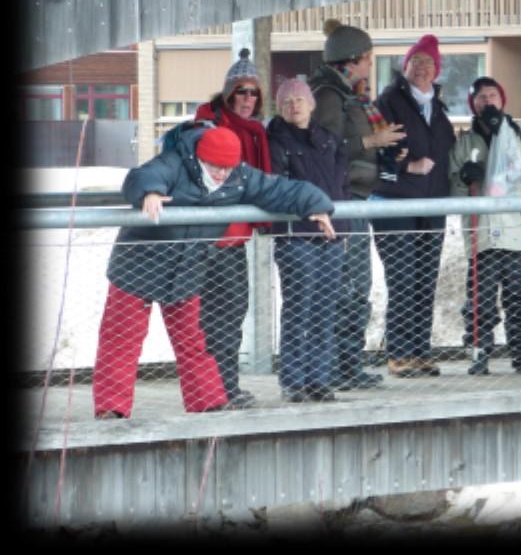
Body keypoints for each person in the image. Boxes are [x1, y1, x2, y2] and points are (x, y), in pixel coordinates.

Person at [93, 127, 335, 419]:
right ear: (199, 158)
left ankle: (206, 401)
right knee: (122, 338)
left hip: (186, 269)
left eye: (227, 167)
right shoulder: (175, 162)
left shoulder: (239, 177)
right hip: (138, 267)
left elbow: (281, 189)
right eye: (215, 166)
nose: (221, 174)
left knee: (195, 340)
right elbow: (142, 176)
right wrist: (151, 192)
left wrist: (317, 205)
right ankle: (112, 408)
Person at [308, 19, 407, 390]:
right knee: (347, 285)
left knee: (354, 285)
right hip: (342, 202)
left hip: (354, 199)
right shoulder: (330, 96)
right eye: (367, 58)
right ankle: (339, 368)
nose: (370, 65)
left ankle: (347, 365)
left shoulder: (347, 93)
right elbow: (327, 147)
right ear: (351, 59)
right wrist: (371, 142)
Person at [370, 34, 456, 378]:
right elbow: (377, 150)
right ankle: (399, 352)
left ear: (437, 71)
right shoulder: (389, 101)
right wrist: (407, 166)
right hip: (396, 201)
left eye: (428, 63)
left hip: (432, 202)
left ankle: (420, 351)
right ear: (405, 67)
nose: (421, 68)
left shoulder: (438, 107)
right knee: (402, 275)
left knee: (425, 276)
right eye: (415, 61)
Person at [192, 48, 272, 409]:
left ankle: (225, 387)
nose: (248, 98)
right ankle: (211, 390)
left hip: (235, 240)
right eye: (241, 90)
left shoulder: (255, 132)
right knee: (213, 320)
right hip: (209, 239)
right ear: (228, 93)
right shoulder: (207, 127)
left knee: (231, 316)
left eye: (254, 92)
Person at [267, 79, 350, 402]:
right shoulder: (275, 140)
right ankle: (293, 380)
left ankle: (319, 378)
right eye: (287, 101)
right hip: (296, 235)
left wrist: (342, 230)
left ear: (311, 104)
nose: (294, 105)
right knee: (298, 307)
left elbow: (341, 189)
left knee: (325, 308)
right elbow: (278, 187)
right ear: (279, 107)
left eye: (299, 99)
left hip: (330, 236)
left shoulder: (329, 140)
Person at [449, 77, 521, 375]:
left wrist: (500, 136)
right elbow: (453, 190)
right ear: (473, 103)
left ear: (502, 99)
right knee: (480, 296)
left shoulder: (517, 138)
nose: (487, 101)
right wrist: (465, 177)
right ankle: (479, 350)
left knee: (518, 295)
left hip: (513, 231)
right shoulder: (465, 143)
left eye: (492, 95)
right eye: (481, 97)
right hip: (480, 233)